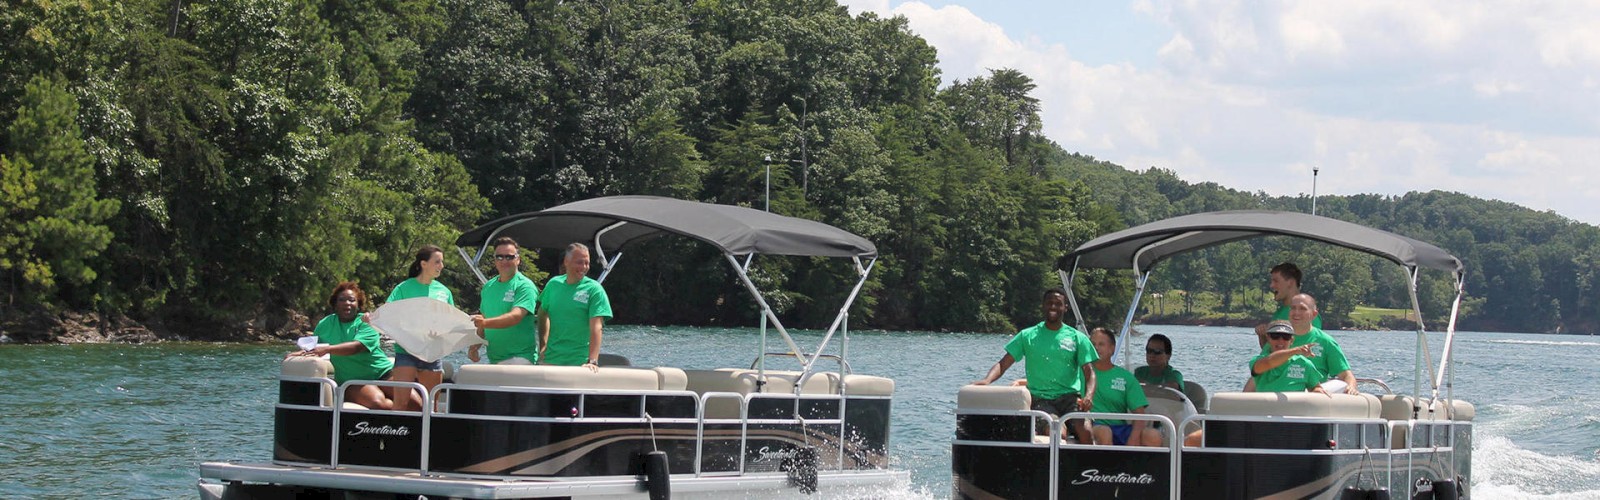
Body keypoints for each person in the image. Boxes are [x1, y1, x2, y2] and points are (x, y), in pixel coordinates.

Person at [971, 288, 1097, 443]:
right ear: (1043, 306)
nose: (1053, 307)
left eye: (1058, 304)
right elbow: (1003, 363)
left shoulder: (1078, 338)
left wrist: (1089, 395)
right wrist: (987, 380)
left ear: (1065, 308)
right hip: (1041, 399)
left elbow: (1089, 372)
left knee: (1086, 431)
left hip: (1070, 399)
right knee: (1057, 432)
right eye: (1049, 303)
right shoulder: (1027, 335)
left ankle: (1088, 466)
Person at [287, 282, 398, 410]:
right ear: (335, 303)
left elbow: (356, 347)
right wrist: (299, 354)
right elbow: (314, 348)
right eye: (342, 300)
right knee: (378, 403)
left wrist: (327, 349)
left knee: (416, 403)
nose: (347, 303)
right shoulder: (324, 325)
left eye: (352, 300)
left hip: (383, 373)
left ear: (358, 304)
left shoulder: (367, 323)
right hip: (352, 381)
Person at [383, 244, 453, 411]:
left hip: (432, 353)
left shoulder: (444, 292)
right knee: (400, 403)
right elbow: (388, 312)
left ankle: (430, 437)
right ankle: (395, 436)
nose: (441, 266)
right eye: (437, 262)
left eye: (442, 262)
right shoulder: (403, 288)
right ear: (423, 264)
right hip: (406, 351)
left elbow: (451, 321)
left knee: (432, 406)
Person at [537, 243, 612, 372]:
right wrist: (543, 346)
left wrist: (592, 361)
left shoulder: (594, 290)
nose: (584, 267)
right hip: (550, 360)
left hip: (580, 363)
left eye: (587, 263)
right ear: (566, 261)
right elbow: (542, 314)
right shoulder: (553, 284)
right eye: (579, 262)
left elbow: (597, 327)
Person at [1086, 328, 1163, 447]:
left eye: (1101, 344)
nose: (1096, 348)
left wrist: (1133, 438)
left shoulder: (1126, 377)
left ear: (1112, 349)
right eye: (1093, 344)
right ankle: (1106, 466)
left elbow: (1139, 414)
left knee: (1153, 436)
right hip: (1092, 426)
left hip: (1119, 428)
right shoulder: (1081, 373)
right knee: (1105, 432)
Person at [469, 237, 539, 365]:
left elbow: (515, 317)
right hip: (495, 359)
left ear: (518, 259)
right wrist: (475, 346)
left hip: (520, 358)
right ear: (495, 260)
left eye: (509, 257)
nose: (504, 261)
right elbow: (483, 320)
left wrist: (484, 323)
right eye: (499, 257)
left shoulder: (525, 286)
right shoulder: (488, 287)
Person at [1281, 293, 1358, 394]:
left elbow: (1345, 375)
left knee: (1340, 384)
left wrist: (1351, 387)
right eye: (1293, 308)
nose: (1296, 312)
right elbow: (1262, 367)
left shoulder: (1325, 341)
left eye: (1302, 309)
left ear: (1314, 314)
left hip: (1313, 396)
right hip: (1281, 393)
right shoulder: (1277, 337)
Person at [1254, 263, 1321, 348]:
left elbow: (1313, 349)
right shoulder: (1279, 313)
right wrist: (1262, 336)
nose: (1271, 285)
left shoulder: (1308, 315)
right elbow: (1271, 350)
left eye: (1276, 281)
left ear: (1290, 283)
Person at [1250, 320, 1328, 393]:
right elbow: (1269, 362)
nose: (1280, 340)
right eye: (1275, 336)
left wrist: (1317, 390)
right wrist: (1295, 351)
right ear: (1268, 338)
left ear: (1292, 340)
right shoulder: (1257, 361)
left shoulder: (1305, 364)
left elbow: (1315, 387)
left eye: (1286, 337)